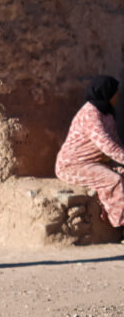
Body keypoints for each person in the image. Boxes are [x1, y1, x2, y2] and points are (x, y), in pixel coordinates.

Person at [55, 76, 124, 229]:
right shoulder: (90, 115)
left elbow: (116, 142)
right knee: (113, 180)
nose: (118, 96)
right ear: (107, 93)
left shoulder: (107, 113)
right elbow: (107, 146)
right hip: (72, 166)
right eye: (115, 92)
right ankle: (120, 226)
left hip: (96, 163)